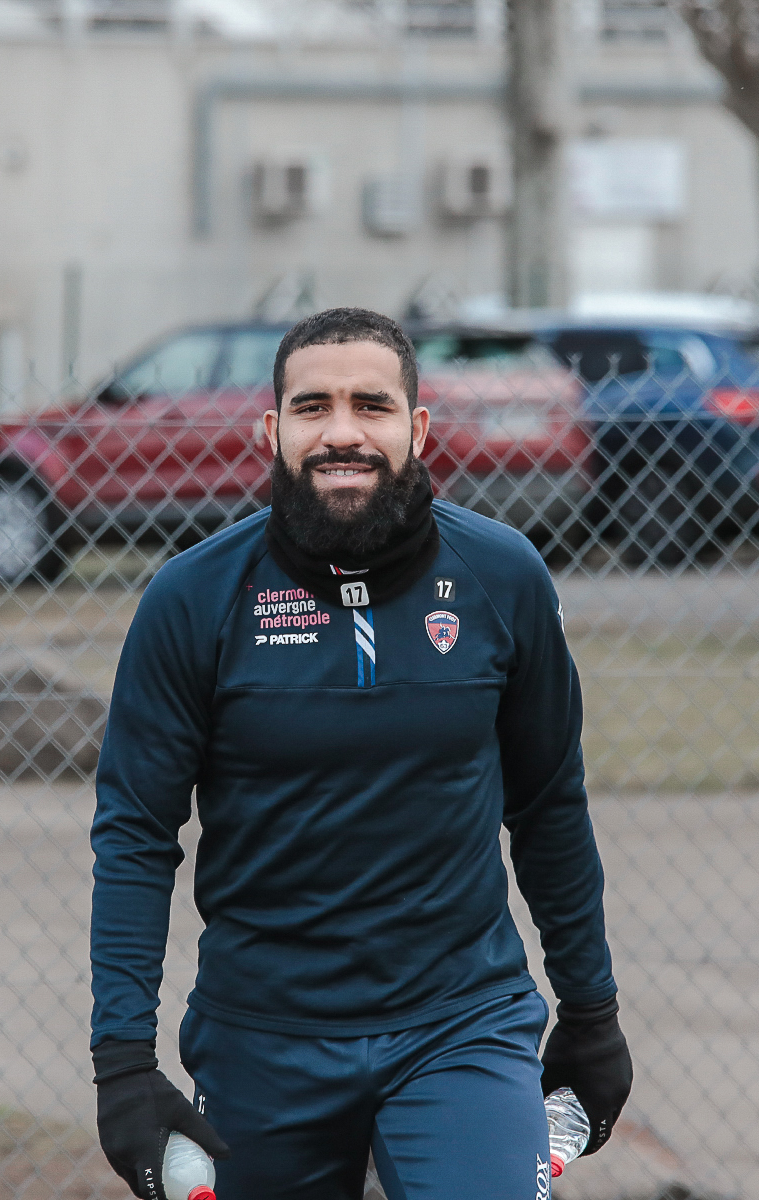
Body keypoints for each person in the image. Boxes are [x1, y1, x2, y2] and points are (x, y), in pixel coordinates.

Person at [89, 308, 633, 1199]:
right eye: (313, 408)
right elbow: (135, 839)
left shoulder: (503, 578)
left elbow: (549, 808)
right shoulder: (191, 600)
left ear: (417, 428)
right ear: (272, 431)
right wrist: (121, 1062)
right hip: (259, 1036)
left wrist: (591, 1014)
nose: (343, 432)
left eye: (371, 406)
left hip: (462, 1026)